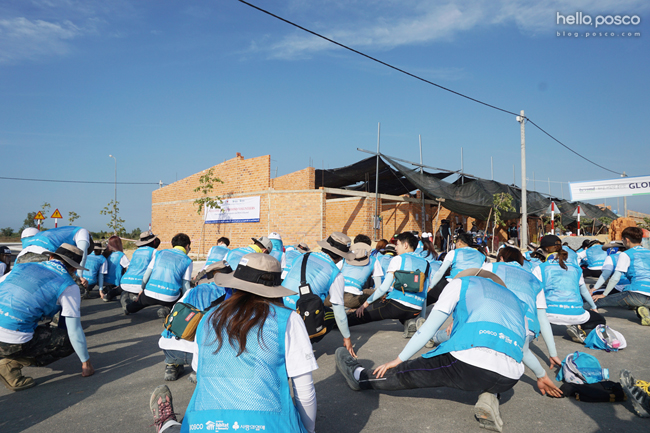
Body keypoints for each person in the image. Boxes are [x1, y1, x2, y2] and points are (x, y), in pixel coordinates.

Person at [335, 269, 561, 433]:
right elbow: (523, 350)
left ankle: (358, 376)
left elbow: (428, 329)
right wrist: (541, 375)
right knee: (489, 371)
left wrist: (398, 359)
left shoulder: (462, 284)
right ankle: (488, 396)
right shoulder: (515, 302)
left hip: (468, 365)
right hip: (509, 378)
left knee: (406, 373)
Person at [148, 253, 318, 433]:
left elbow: (201, 373)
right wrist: (309, 430)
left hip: (205, 425)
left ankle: (167, 424)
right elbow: (305, 394)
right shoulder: (287, 319)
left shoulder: (208, 319)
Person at [0, 244, 94, 391]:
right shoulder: (68, 285)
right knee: (67, 341)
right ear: (73, 269)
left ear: (51, 257)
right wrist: (86, 363)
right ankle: (11, 364)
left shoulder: (22, 266)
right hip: (9, 339)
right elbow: (74, 330)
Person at [282, 232, 357, 357]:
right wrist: (347, 338)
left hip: (279, 305)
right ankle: (304, 342)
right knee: (331, 315)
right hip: (301, 312)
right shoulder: (335, 274)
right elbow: (339, 311)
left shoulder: (302, 256)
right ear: (341, 257)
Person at [159, 261, 232, 382]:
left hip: (171, 349)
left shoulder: (191, 291)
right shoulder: (229, 293)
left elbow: (174, 313)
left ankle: (171, 366)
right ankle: (198, 370)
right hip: (200, 353)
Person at [347, 232, 430, 338]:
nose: (395, 248)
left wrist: (365, 305)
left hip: (396, 306)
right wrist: (420, 315)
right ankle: (411, 322)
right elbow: (424, 293)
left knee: (362, 314)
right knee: (404, 312)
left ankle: (333, 323)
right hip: (415, 309)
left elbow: (384, 288)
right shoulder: (426, 263)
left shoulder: (398, 259)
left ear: (405, 245)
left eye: (397, 244)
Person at [532, 235, 605, 343]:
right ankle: (583, 332)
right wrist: (593, 306)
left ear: (545, 249)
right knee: (600, 319)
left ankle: (536, 327)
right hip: (575, 314)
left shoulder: (540, 268)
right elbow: (583, 290)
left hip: (547, 314)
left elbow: (532, 292)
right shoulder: (576, 268)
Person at [124, 233, 193, 319]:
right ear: (187, 246)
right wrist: (186, 303)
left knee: (138, 303)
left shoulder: (160, 253)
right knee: (179, 299)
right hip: (170, 297)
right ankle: (167, 309)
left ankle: (128, 308)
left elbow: (146, 274)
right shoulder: (187, 261)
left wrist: (142, 290)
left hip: (150, 292)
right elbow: (185, 285)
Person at [593, 227, 650, 326]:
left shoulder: (626, 254)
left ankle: (578, 317)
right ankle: (643, 309)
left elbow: (615, 277)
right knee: (640, 301)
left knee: (595, 301)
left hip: (636, 293)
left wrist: (604, 295)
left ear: (626, 240)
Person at [16, 226, 92, 290]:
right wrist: (80, 277)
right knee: (69, 285)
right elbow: (83, 252)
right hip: (44, 255)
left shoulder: (56, 231)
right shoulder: (82, 231)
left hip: (21, 255)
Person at [119, 231, 161, 309]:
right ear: (154, 241)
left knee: (126, 290)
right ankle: (135, 298)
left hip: (125, 281)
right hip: (141, 283)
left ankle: (128, 296)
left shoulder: (136, 251)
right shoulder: (154, 252)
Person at [337, 242, 376, 309]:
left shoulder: (345, 258)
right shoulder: (373, 260)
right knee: (379, 293)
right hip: (353, 298)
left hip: (335, 295)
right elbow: (378, 287)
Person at [101, 235, 130, 302]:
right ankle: (111, 289)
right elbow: (128, 267)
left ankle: (108, 289)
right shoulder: (121, 255)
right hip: (114, 281)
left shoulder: (106, 254)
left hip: (103, 280)